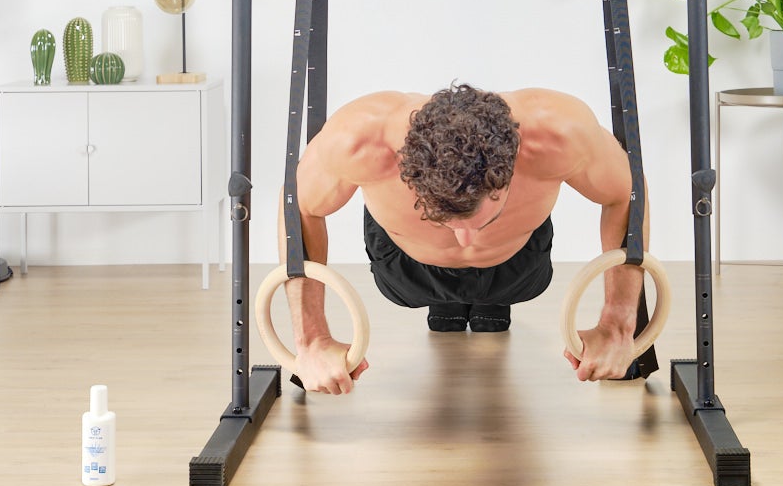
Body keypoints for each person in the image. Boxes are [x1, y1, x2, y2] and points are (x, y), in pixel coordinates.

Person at [278, 82, 652, 395]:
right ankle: (451, 302)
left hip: (519, 268)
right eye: (443, 220)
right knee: (442, 294)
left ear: (511, 170)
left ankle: (486, 301)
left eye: (481, 220)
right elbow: (300, 206)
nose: (465, 239)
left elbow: (625, 193)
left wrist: (617, 323)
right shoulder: (359, 141)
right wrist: (311, 339)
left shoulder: (559, 134)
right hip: (406, 273)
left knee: (495, 296)